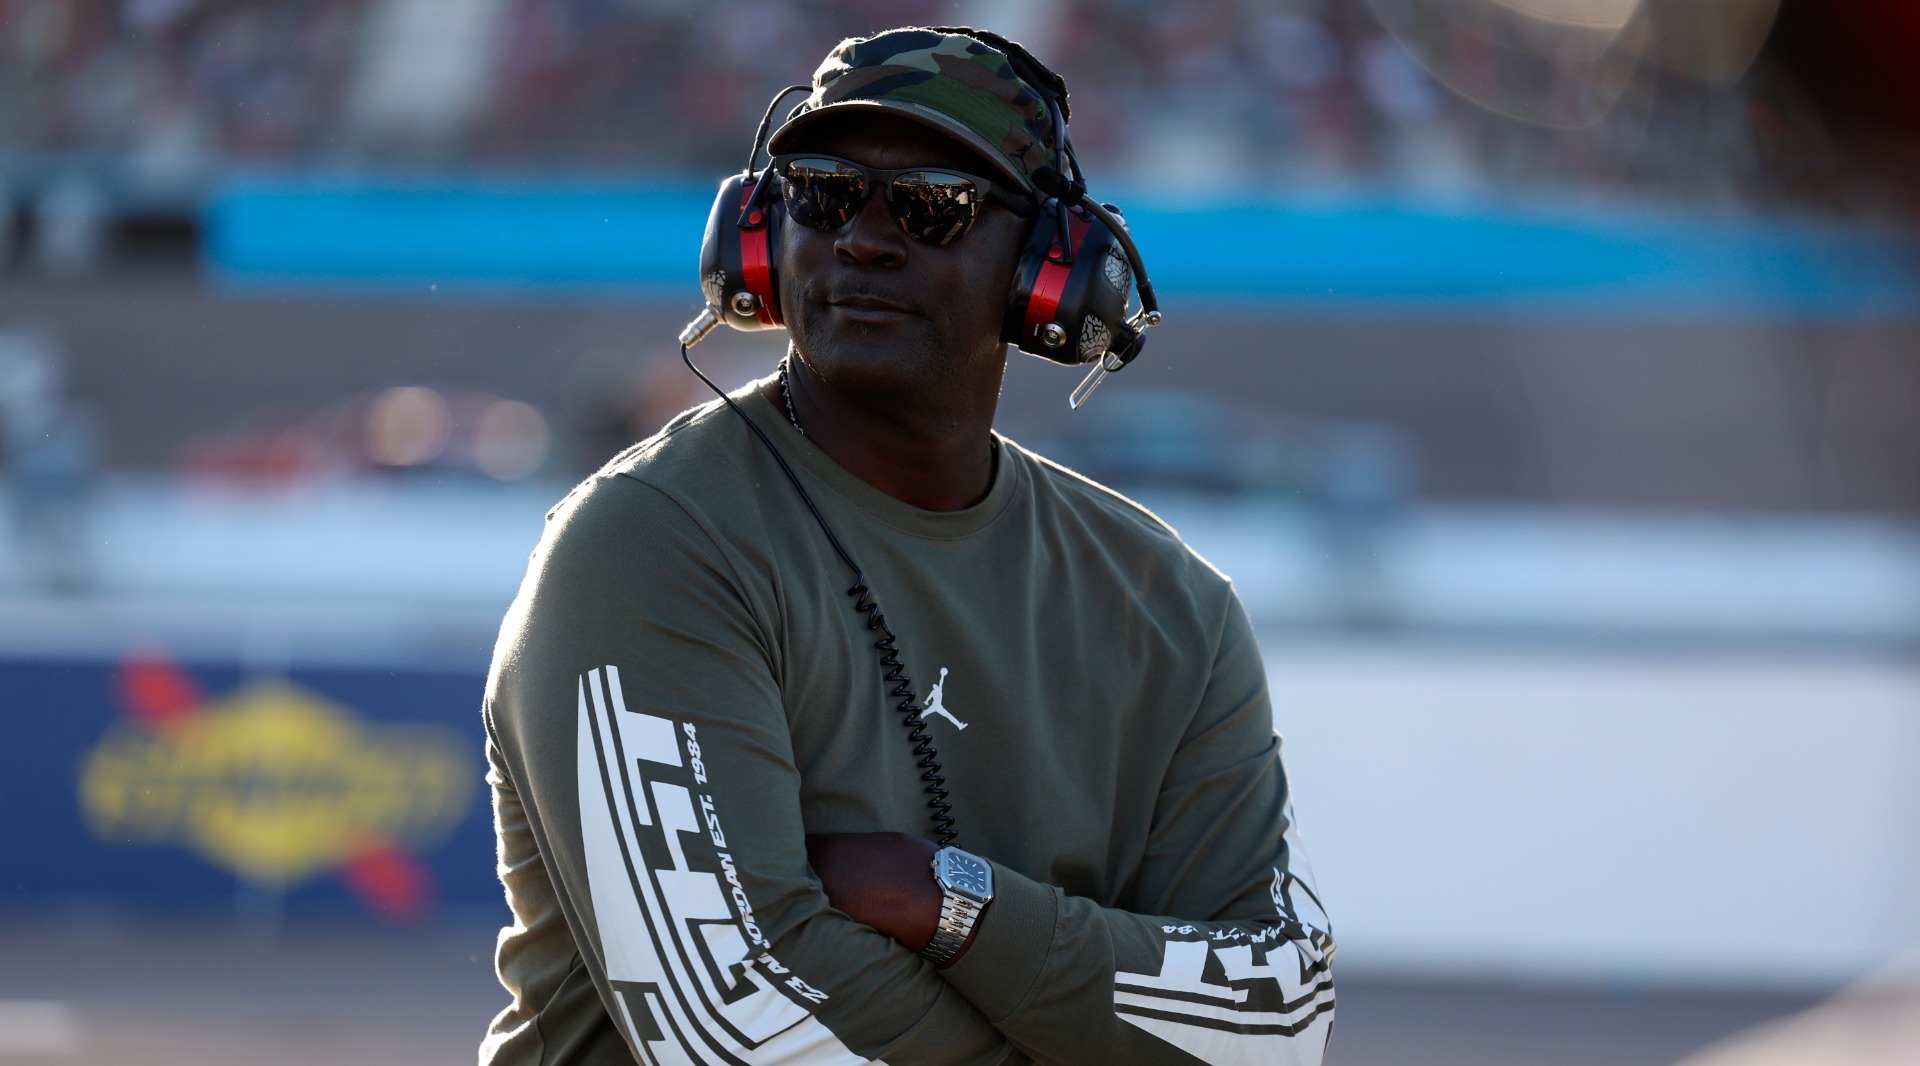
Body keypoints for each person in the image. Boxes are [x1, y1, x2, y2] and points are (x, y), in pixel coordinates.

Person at [480, 25, 1335, 1066]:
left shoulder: (1172, 607)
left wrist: (955, 905)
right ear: (759, 235)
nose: (864, 239)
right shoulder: (646, 545)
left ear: (1047, 273)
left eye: (934, 206)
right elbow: (738, 1026)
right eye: (824, 194)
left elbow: (1273, 1026)